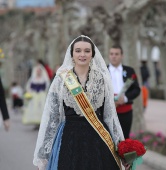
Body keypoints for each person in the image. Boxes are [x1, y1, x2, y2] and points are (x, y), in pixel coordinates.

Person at [33, 35, 130, 170]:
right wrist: (44, 154)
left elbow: (110, 115)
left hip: (98, 138)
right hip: (69, 137)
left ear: (93, 54)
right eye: (78, 50)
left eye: (87, 51)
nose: (82, 54)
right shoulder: (61, 79)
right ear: (72, 54)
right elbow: (53, 117)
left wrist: (122, 149)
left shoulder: (102, 79)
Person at [108, 45, 140, 139]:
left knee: (124, 138)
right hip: (109, 111)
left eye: (116, 54)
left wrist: (125, 98)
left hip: (126, 111)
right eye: (111, 54)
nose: (114, 56)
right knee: (109, 139)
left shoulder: (129, 71)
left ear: (122, 56)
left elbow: (136, 89)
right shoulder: (103, 71)